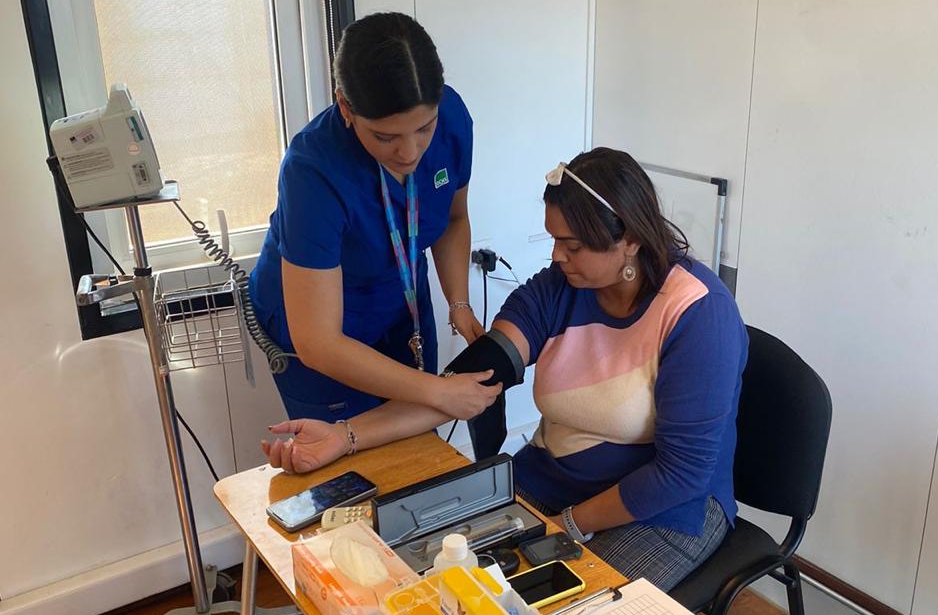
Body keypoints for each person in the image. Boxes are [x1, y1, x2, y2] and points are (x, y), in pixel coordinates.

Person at [262, 148, 748, 588]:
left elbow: (681, 474)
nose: (557, 256)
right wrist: (344, 436)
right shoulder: (558, 289)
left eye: (573, 245)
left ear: (631, 240)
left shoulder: (698, 315)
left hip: (665, 512)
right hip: (553, 481)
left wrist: (570, 525)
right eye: (555, 240)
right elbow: (463, 387)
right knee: (445, 580)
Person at [248, 11, 499, 426]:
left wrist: (458, 302)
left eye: (424, 128)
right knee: (350, 451)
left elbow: (453, 219)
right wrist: (438, 391)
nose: (410, 152)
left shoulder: (452, 118)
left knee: (416, 439)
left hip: (403, 300)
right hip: (324, 323)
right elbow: (319, 344)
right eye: (386, 137)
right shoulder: (312, 171)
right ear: (345, 106)